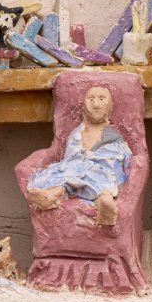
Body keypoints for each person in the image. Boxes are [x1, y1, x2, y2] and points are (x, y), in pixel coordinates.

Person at [25, 85, 131, 227]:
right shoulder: (76, 134)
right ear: (83, 106)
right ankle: (51, 195)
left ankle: (105, 206)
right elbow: (70, 158)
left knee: (98, 181)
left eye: (102, 99)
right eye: (91, 99)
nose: (96, 104)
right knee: (68, 174)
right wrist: (81, 161)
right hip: (77, 172)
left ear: (110, 106)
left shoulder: (113, 136)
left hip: (101, 173)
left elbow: (120, 159)